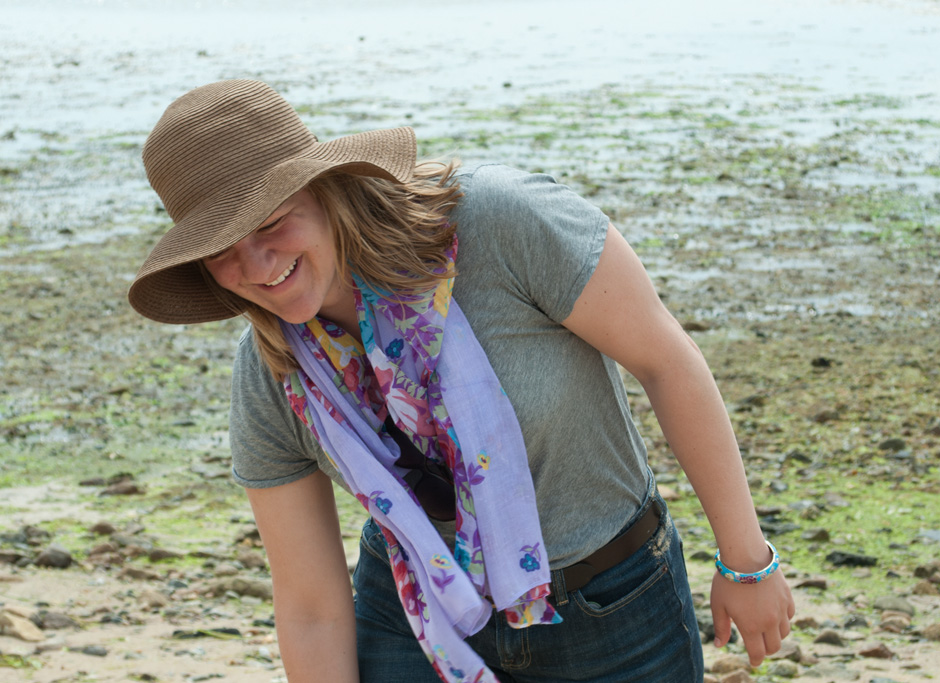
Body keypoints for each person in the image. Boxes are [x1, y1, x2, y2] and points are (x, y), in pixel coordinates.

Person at [129, 79, 794, 683]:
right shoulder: (271, 374)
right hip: (415, 620)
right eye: (222, 251)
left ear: (325, 189)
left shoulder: (499, 224)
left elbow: (666, 361)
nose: (257, 265)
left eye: (272, 222)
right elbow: (310, 606)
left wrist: (747, 562)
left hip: (612, 609)